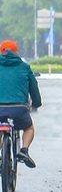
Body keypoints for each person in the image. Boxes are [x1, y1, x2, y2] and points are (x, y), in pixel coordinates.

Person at [0, 39, 41, 168]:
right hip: (19, 109)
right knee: (29, 128)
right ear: (16, 52)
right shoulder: (24, 67)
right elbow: (33, 87)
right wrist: (36, 103)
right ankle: (24, 150)